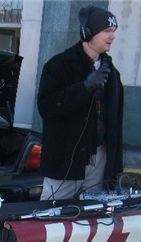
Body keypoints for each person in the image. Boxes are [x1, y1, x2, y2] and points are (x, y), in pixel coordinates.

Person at [38, 5, 124, 201]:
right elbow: (47, 107)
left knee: (92, 218)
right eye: (107, 31)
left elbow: (115, 123)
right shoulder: (57, 66)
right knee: (53, 217)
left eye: (114, 31)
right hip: (66, 158)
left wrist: (115, 165)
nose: (112, 36)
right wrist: (84, 87)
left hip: (100, 156)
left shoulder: (112, 73)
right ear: (89, 32)